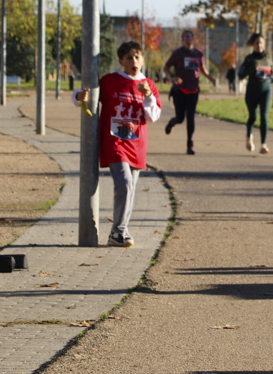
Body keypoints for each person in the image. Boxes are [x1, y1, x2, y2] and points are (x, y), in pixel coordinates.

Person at [74, 41, 161, 247]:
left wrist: (148, 96)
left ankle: (119, 232)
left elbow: (153, 116)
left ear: (143, 60)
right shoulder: (111, 81)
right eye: (129, 57)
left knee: (130, 188)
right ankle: (119, 231)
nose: (134, 61)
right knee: (124, 182)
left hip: (137, 144)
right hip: (114, 141)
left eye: (137, 57)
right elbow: (85, 96)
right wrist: (79, 96)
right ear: (121, 60)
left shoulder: (148, 84)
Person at [162, 30, 212, 155]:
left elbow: (203, 70)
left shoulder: (198, 54)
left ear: (193, 39)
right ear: (182, 40)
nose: (187, 39)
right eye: (185, 37)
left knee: (191, 117)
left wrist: (211, 79)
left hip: (193, 89)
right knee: (180, 118)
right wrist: (173, 76)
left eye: (189, 37)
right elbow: (166, 68)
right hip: (179, 90)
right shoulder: (177, 54)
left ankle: (190, 145)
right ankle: (171, 123)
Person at [238, 32, 273, 155]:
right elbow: (240, 75)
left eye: (261, 43)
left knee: (264, 116)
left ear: (264, 44)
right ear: (253, 44)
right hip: (252, 91)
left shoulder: (268, 57)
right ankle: (249, 136)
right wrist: (251, 69)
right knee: (253, 116)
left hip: (265, 89)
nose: (259, 45)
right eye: (257, 43)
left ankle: (263, 144)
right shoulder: (249, 59)